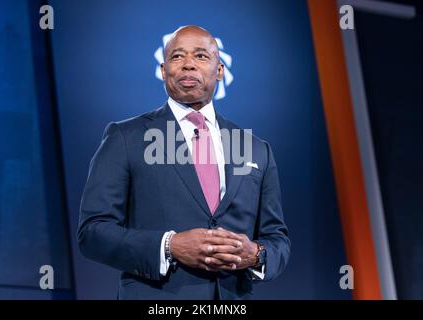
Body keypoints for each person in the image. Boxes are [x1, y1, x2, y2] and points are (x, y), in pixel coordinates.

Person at [78, 25, 290, 300]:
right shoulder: (126, 137)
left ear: (220, 70)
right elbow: (93, 233)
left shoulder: (256, 149)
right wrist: (169, 246)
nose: (188, 64)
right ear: (164, 71)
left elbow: (278, 239)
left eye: (201, 56)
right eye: (177, 57)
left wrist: (256, 255)